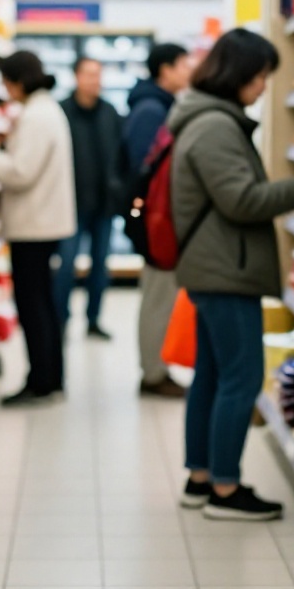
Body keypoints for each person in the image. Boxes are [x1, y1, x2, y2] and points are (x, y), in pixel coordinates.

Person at [169, 28, 294, 519]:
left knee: (213, 375)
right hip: (226, 270)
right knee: (240, 379)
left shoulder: (204, 118)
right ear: (239, 74)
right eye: (260, 77)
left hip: (215, 264)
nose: (263, 87)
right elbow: (241, 200)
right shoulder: (215, 126)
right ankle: (225, 489)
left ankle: (201, 477)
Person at [0, 51, 76, 406]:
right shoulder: (46, 111)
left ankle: (40, 381)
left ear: (19, 81)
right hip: (44, 223)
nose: (6, 89)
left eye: (8, 82)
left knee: (33, 306)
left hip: (34, 225)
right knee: (43, 302)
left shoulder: (36, 116)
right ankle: (51, 377)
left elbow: (20, 173)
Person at [122, 43, 195, 398]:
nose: (189, 69)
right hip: (157, 221)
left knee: (158, 294)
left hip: (157, 219)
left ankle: (155, 368)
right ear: (164, 70)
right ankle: (152, 372)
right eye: (183, 64)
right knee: (157, 297)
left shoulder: (158, 105)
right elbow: (147, 172)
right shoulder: (153, 110)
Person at [55, 56, 124, 340]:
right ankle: (60, 319)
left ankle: (93, 320)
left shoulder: (110, 113)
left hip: (104, 205)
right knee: (66, 265)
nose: (95, 81)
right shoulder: (61, 112)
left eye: (98, 75)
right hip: (70, 205)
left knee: (100, 266)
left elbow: (121, 156)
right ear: (76, 77)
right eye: (89, 75)